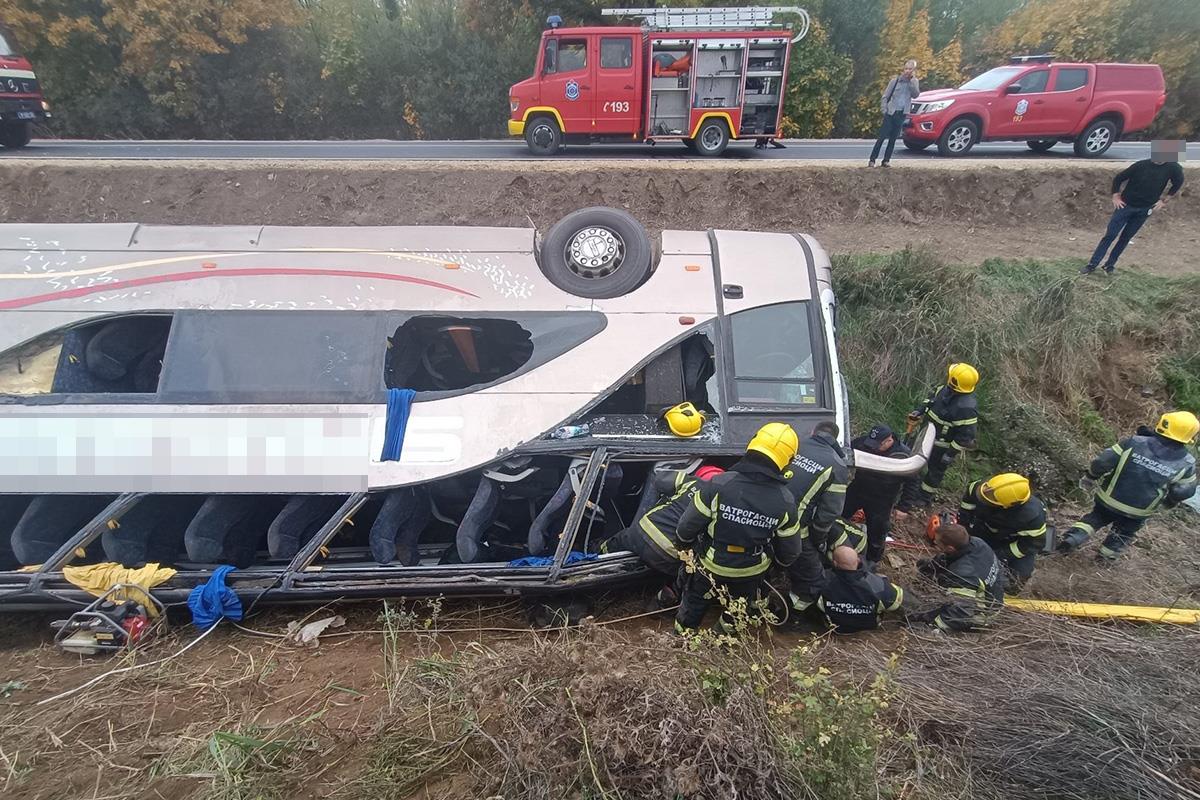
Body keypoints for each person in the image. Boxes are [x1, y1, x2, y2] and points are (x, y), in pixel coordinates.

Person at [674, 423, 803, 634]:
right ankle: (721, 643)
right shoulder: (786, 501)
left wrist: (685, 547)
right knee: (737, 610)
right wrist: (777, 566)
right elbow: (791, 551)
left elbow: (686, 527)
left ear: (752, 446)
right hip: (751, 571)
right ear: (787, 461)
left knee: (695, 603)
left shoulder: (718, 484)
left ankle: (681, 641)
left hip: (711, 564)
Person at [1058, 411, 1197, 562]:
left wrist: (1091, 476)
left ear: (1163, 424)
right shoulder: (1187, 462)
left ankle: (1073, 538)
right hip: (1139, 511)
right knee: (1123, 534)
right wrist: (1169, 502)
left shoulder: (1135, 442)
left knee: (1095, 518)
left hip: (1109, 499)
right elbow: (1184, 491)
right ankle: (1104, 561)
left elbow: (1103, 461)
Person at [600, 464, 725, 605]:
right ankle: (661, 602)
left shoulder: (690, 482)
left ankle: (597, 554)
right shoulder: (720, 506)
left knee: (616, 542)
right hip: (668, 556)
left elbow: (659, 479)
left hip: (641, 532)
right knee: (685, 574)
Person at [1081, 140, 1185, 275]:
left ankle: (1109, 266)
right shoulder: (1140, 166)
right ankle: (1092, 265)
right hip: (1125, 206)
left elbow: (1178, 183)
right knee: (1110, 235)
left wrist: (1164, 201)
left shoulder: (1173, 168)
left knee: (1125, 238)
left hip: (1144, 210)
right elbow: (1118, 178)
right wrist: (1115, 196)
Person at [783, 421, 850, 614]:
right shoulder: (837, 466)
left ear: (813, 431)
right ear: (834, 438)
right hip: (795, 529)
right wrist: (818, 541)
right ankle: (793, 618)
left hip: (769, 514)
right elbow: (828, 514)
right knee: (812, 579)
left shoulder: (794, 445)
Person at [898, 363, 979, 511]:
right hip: (925, 434)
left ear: (955, 382)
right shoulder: (944, 390)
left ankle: (923, 498)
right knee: (910, 458)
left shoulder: (966, 408)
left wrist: (949, 454)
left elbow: (966, 437)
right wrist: (919, 411)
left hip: (942, 446)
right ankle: (903, 485)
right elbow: (930, 401)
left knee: (935, 472)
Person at [956, 473, 1047, 593]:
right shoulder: (980, 488)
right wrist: (963, 533)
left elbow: (1031, 545)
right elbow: (965, 512)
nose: (983, 497)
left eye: (989, 499)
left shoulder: (1032, 516)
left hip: (1013, 541)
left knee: (1016, 580)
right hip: (984, 528)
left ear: (1008, 506)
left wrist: (998, 555)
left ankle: (1005, 595)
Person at [914, 523, 1004, 632]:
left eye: (937, 542)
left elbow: (961, 613)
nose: (934, 543)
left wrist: (936, 626)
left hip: (981, 616)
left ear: (950, 548)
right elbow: (951, 557)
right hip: (994, 598)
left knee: (918, 613)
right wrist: (931, 566)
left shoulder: (962, 575)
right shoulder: (977, 543)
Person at [843, 424, 911, 565]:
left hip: (882, 498)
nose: (872, 448)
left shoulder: (902, 455)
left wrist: (904, 507)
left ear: (889, 440)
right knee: (839, 515)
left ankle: (872, 561)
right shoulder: (863, 443)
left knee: (877, 532)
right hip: (859, 488)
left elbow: (913, 482)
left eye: (877, 445)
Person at [816, 545, 907, 634]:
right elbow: (900, 602)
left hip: (834, 628)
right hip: (868, 628)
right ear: (858, 561)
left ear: (835, 563)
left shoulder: (822, 581)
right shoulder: (877, 585)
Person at [869, 59, 919, 167]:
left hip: (902, 113)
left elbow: (915, 95)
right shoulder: (895, 81)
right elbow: (885, 96)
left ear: (914, 70)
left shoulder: (914, 82)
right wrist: (884, 110)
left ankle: (886, 160)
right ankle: (872, 159)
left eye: (910, 69)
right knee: (881, 137)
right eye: (906, 68)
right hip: (891, 113)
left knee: (893, 139)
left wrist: (911, 82)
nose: (907, 71)